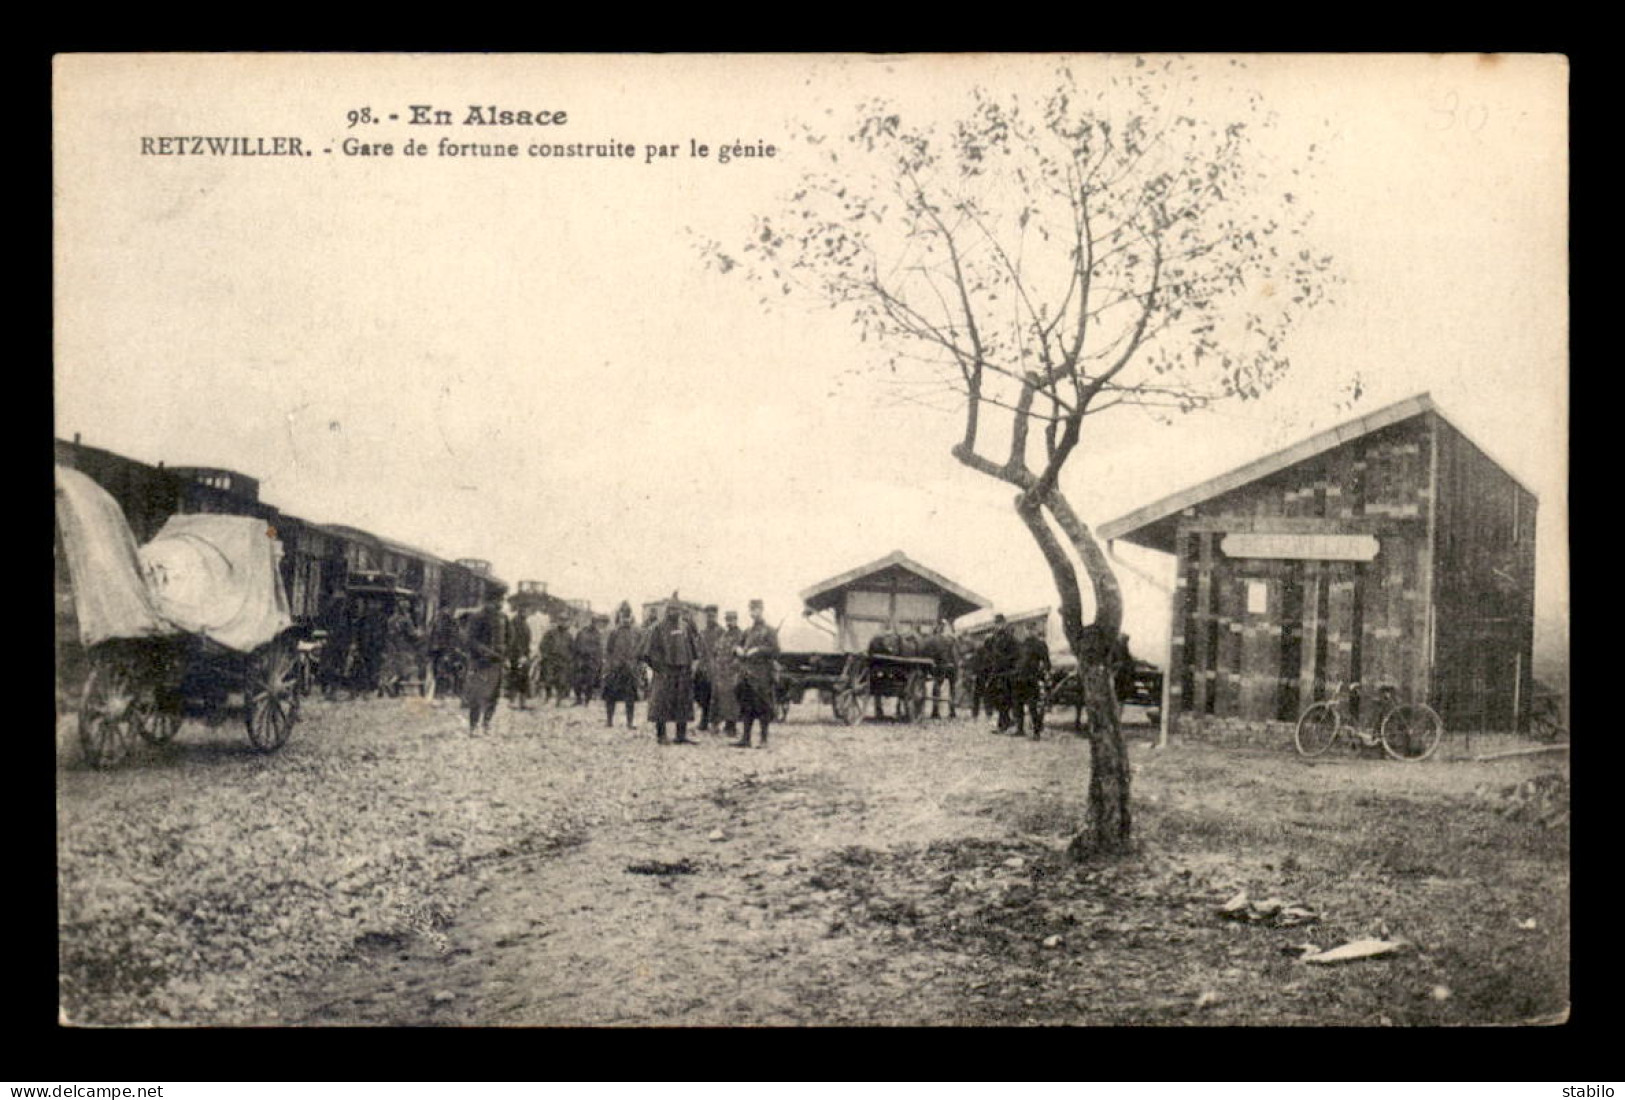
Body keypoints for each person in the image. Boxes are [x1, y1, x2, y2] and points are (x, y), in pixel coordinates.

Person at [642, 601, 703, 745]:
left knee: (683, 702)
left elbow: (693, 650)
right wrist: (658, 668)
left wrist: (691, 665)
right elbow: (648, 653)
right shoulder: (657, 628)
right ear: (667, 610)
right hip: (665, 671)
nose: (674, 612)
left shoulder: (685, 627)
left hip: (683, 670)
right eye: (671, 609)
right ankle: (661, 735)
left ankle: (681, 735)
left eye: (677, 609)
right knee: (661, 702)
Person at [733, 599, 780, 748]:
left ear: (762, 610)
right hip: (746, 673)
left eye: (756, 609)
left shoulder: (770, 630)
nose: (754, 612)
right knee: (746, 706)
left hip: (762, 674)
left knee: (763, 706)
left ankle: (764, 739)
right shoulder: (747, 631)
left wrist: (759, 650)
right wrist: (737, 650)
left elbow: (776, 650)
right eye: (751, 609)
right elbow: (737, 646)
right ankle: (745, 739)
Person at [462, 591, 507, 733]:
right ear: (488, 602)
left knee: (494, 694)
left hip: (496, 663)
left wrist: (504, 650)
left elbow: (509, 637)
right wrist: (486, 652)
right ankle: (473, 726)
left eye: (501, 601)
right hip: (480, 663)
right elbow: (470, 640)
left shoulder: (503, 618)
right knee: (477, 695)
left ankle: (486, 723)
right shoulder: (477, 617)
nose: (499, 604)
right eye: (496, 602)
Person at [601, 602, 642, 729]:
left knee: (630, 697)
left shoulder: (636, 633)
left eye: (628, 615)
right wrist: (610, 666)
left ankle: (630, 722)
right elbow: (608, 651)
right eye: (623, 615)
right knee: (610, 696)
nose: (626, 619)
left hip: (630, 669)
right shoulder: (613, 632)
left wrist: (636, 665)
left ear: (631, 617)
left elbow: (640, 650)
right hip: (615, 668)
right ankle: (609, 721)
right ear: (619, 616)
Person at [1011, 621, 1051, 740]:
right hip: (1019, 677)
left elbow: (1046, 662)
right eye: (1027, 629)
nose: (1028, 631)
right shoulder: (1022, 645)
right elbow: (1016, 661)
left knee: (1032, 706)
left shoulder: (1040, 645)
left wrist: (1045, 675)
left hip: (1032, 678)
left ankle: (1036, 732)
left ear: (1035, 630)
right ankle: (1020, 729)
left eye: (1031, 629)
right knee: (1017, 704)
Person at [710, 609, 744, 740]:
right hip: (720, 672)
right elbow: (716, 651)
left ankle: (731, 726)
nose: (729, 622)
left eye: (732, 619)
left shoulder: (740, 635)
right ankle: (715, 724)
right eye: (727, 620)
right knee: (717, 698)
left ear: (736, 620)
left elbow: (741, 654)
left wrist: (735, 666)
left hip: (732, 673)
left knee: (732, 700)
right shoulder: (723, 635)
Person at [983, 614, 1019, 733]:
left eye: (1000, 623)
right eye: (996, 623)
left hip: (1007, 671)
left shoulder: (1011, 639)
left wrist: (1005, 660)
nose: (998, 626)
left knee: (1004, 697)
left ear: (1004, 623)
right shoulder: (992, 638)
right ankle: (1005, 721)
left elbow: (1016, 655)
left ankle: (1003, 724)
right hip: (995, 671)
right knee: (992, 695)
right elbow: (987, 652)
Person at [695, 605, 723, 731]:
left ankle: (715, 722)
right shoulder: (702, 633)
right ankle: (704, 719)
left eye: (712, 616)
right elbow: (698, 650)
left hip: (717, 668)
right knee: (703, 694)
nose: (710, 618)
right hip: (704, 668)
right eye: (708, 616)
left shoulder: (721, 632)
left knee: (716, 696)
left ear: (716, 616)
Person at [505, 607, 533, 710]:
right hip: (516, 655)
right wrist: (520, 655)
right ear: (521, 611)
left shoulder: (524, 622)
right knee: (515, 677)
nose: (527, 613)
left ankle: (522, 702)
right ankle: (512, 701)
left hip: (523, 655)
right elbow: (514, 640)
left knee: (523, 678)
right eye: (525, 611)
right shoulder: (515, 622)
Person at [572, 616, 604, 705]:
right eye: (593, 622)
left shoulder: (598, 634)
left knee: (590, 681)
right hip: (581, 660)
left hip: (592, 660)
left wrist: (598, 661)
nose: (594, 624)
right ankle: (578, 699)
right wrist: (575, 659)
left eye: (596, 623)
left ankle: (587, 700)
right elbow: (575, 646)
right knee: (577, 680)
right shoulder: (581, 632)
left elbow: (600, 649)